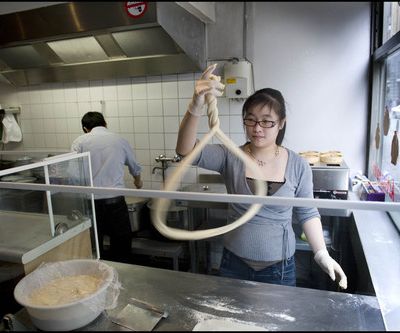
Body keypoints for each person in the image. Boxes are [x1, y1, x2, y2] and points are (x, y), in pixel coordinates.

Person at [175, 64, 347, 289]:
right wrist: (196, 104)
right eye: (250, 119)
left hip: (279, 268)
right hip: (233, 263)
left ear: (281, 123)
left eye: (267, 121)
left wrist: (321, 253)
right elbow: (185, 150)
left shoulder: (298, 165)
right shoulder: (230, 155)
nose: (257, 128)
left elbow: (307, 212)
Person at [71, 111, 143, 263]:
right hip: (115, 202)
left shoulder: (79, 142)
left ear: (85, 128)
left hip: (91, 202)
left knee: (94, 245)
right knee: (121, 244)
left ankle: (99, 277)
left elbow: (73, 174)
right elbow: (134, 166)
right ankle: (121, 275)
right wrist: (138, 181)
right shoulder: (119, 140)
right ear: (105, 124)